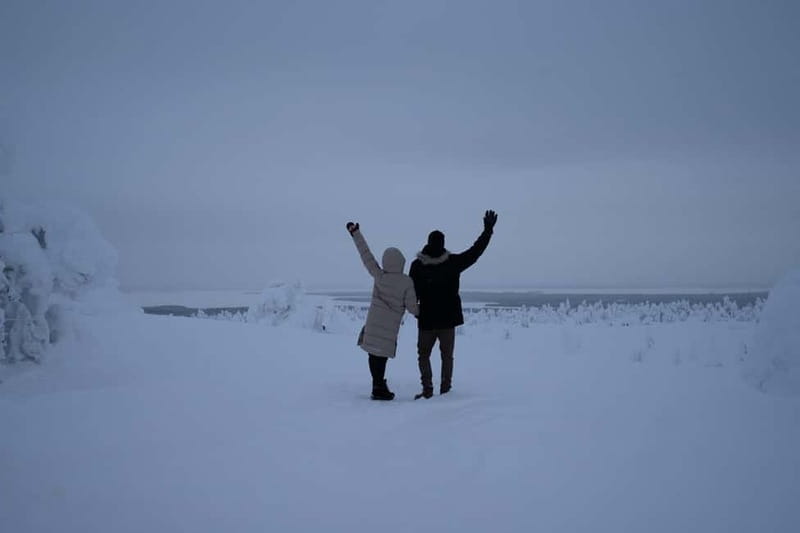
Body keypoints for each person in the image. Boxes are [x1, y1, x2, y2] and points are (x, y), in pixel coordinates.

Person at [409, 210, 498, 399]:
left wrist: (415, 311)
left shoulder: (417, 266)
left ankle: (428, 390)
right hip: (447, 321)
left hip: (427, 320)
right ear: (443, 244)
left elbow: (411, 293)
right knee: (446, 356)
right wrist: (487, 231)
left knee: (424, 356)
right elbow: (475, 252)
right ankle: (445, 390)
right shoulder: (452, 263)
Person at [347, 221, 419, 400]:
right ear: (401, 262)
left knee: (373, 354)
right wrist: (422, 313)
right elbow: (412, 308)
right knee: (382, 356)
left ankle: (377, 384)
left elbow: (366, 255)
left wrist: (356, 234)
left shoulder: (379, 275)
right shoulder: (406, 282)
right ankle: (379, 387)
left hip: (373, 325)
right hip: (389, 329)